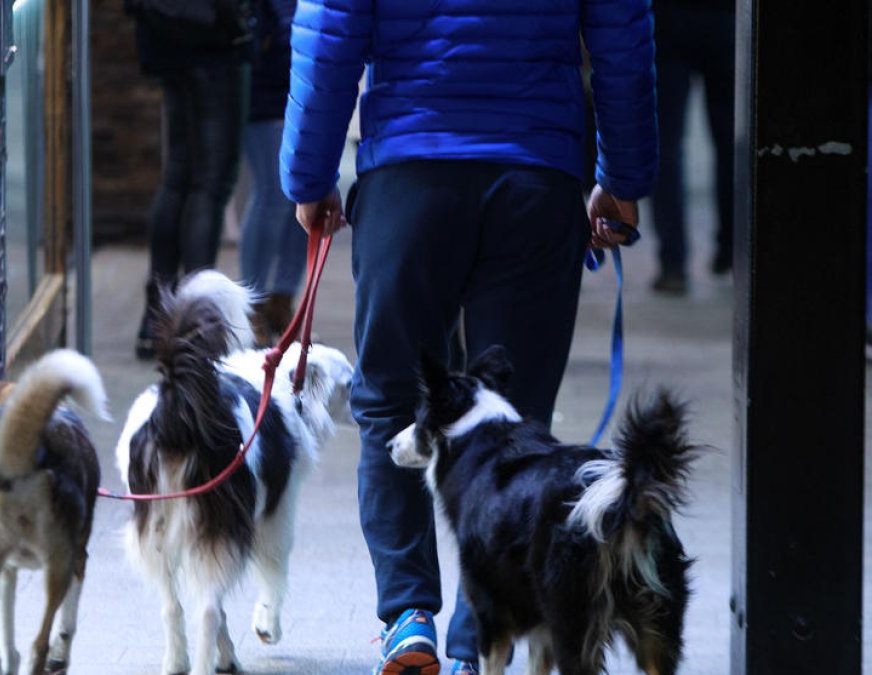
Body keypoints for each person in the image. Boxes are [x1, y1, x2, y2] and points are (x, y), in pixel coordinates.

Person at [279, 2, 657, 674]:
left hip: (410, 176)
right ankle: (475, 645)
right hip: (536, 175)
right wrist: (623, 179)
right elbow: (622, 32)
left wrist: (308, 177)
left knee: (393, 402)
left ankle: (407, 617)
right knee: (517, 423)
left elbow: (330, 29)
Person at [128, 0, 254, 359]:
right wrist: (241, 20)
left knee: (179, 176)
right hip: (213, 35)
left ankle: (157, 319)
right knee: (210, 183)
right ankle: (194, 321)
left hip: (165, 31)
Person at [650, 0, 736, 295]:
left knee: (666, 146)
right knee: (730, 143)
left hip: (669, 19)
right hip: (729, 18)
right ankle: (732, 249)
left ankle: (673, 264)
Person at [239, 0, 305, 346]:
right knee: (273, 194)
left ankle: (282, 300)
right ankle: (251, 305)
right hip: (266, 89)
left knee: (307, 191)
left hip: (304, 86)